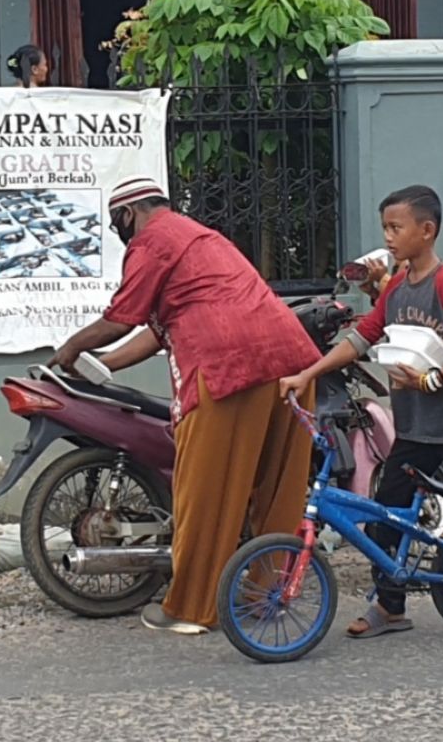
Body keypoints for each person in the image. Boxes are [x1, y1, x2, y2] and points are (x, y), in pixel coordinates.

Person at [280, 184, 443, 655]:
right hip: (414, 430)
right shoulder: (399, 287)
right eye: (385, 227)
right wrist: (306, 372)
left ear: (426, 231)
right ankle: (391, 608)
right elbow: (363, 338)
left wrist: (433, 380)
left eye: (395, 228)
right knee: (387, 516)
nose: (388, 237)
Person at [50, 176, 322, 634]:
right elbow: (159, 328)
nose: (121, 232)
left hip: (228, 365)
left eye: (118, 223)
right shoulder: (201, 238)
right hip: (290, 361)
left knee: (205, 488)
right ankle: (265, 595)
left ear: (128, 213)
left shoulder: (152, 239)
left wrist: (70, 350)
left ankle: (192, 608)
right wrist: (106, 364)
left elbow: (122, 316)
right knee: (279, 487)